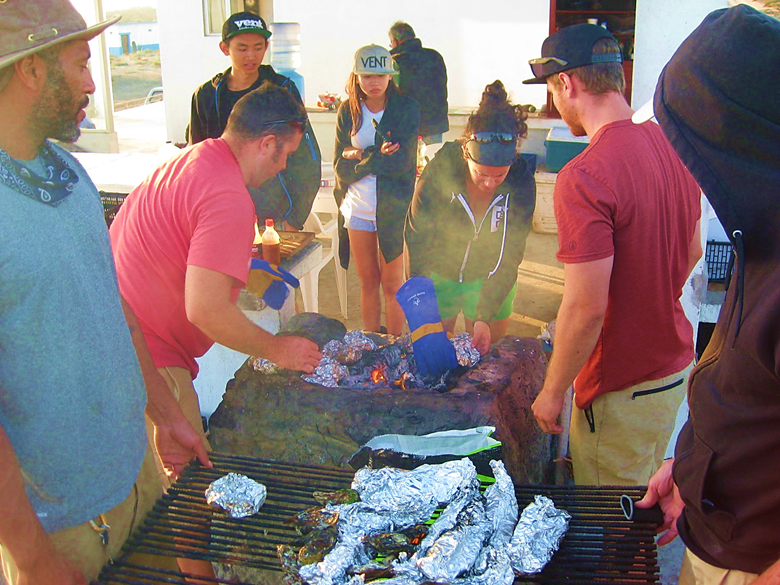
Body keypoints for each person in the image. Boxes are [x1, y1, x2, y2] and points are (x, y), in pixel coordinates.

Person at [0, 1, 210, 583]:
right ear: (31, 71)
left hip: (137, 483)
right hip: (61, 528)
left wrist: (164, 413)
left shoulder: (68, 173)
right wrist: (35, 559)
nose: (93, 82)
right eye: (80, 64)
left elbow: (110, 309)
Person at [111, 82, 322, 489]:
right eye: (287, 156)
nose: (283, 167)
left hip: (117, 340)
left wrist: (245, 267)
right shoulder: (229, 196)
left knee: (147, 492)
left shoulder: (193, 160)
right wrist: (276, 348)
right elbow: (204, 309)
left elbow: (179, 243)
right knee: (185, 491)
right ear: (267, 143)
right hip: (152, 358)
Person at [633, 6, 780, 584]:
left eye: (691, 145)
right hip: (708, 531)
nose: (688, 168)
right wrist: (688, 469)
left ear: (734, 142)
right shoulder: (761, 223)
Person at [524, 24, 702, 486]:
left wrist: (552, 391)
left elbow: (585, 308)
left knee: (608, 528)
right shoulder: (673, 147)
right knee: (645, 501)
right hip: (674, 372)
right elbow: (694, 248)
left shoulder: (584, 174)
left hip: (621, 386)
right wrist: (653, 299)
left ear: (567, 82)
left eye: (551, 88)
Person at [404, 80, 536, 357]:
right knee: (439, 356)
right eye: (482, 174)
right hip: (442, 273)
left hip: (491, 276)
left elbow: (510, 254)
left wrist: (483, 317)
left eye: (499, 176)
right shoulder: (442, 170)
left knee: (488, 358)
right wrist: (424, 306)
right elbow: (417, 237)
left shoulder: (521, 181)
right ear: (467, 155)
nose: (490, 184)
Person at [189, 11, 321, 231]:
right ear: (224, 48)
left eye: (258, 47)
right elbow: (197, 161)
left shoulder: (283, 90)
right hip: (223, 217)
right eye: (242, 48)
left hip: (275, 219)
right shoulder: (205, 97)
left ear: (266, 47)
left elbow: (307, 158)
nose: (251, 55)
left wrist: (294, 219)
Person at [333, 44, 420, 335]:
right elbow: (338, 165)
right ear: (356, 77)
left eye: (380, 75)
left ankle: (396, 345)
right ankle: (371, 343)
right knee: (368, 282)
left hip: (393, 209)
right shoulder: (348, 110)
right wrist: (375, 155)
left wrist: (357, 155)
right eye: (367, 75)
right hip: (357, 206)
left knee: (394, 284)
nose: (374, 82)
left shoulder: (406, 108)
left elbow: (403, 163)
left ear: (391, 77)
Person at [388, 21, 449, 144]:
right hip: (434, 124)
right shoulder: (435, 56)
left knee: (409, 163)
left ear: (395, 42)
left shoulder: (395, 62)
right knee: (431, 161)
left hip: (407, 127)